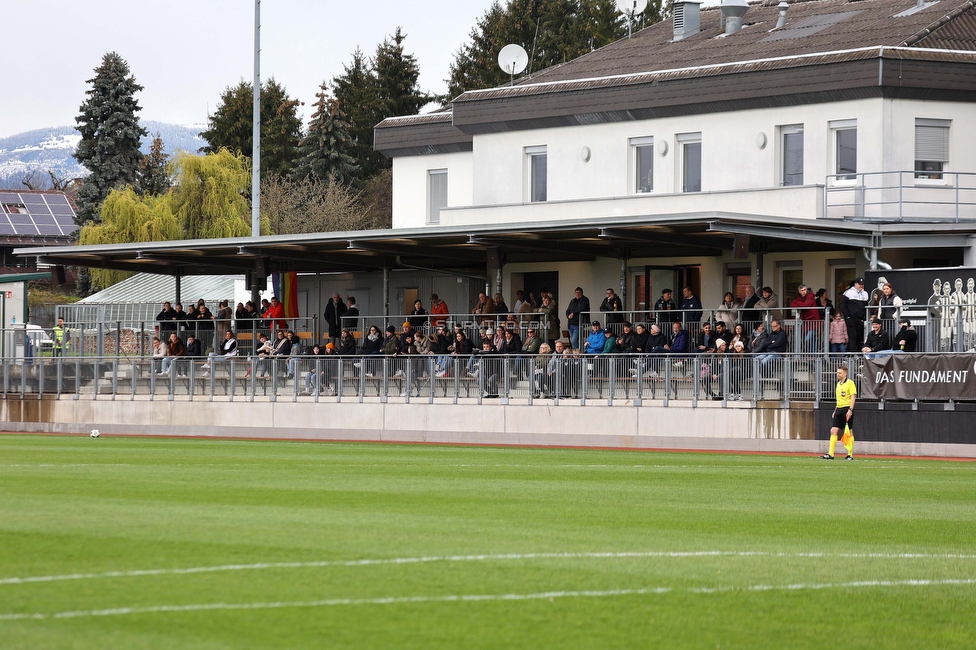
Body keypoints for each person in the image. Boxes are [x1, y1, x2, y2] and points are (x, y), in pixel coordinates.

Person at [822, 364, 856, 460]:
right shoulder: (838, 384)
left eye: (840, 373)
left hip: (846, 409)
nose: (838, 374)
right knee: (833, 430)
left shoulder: (850, 383)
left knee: (849, 432)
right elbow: (838, 399)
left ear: (845, 374)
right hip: (839, 409)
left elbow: (853, 396)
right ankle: (831, 454)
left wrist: (850, 410)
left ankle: (850, 454)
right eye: (837, 372)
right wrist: (835, 410)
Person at [841, 278, 869, 352]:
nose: (861, 286)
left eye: (862, 284)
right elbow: (843, 306)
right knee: (853, 336)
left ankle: (850, 354)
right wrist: (847, 317)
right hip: (851, 318)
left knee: (859, 337)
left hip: (860, 319)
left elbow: (866, 307)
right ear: (855, 284)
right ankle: (853, 355)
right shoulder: (848, 293)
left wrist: (865, 318)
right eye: (860, 284)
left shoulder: (865, 293)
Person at [789, 284, 820, 352]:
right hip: (806, 321)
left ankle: (813, 355)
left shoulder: (810, 296)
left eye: (805, 290)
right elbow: (792, 304)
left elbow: (806, 305)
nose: (804, 292)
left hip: (813, 321)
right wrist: (799, 303)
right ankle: (814, 356)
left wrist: (798, 303)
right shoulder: (800, 298)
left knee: (808, 339)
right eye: (802, 290)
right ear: (799, 291)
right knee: (811, 340)